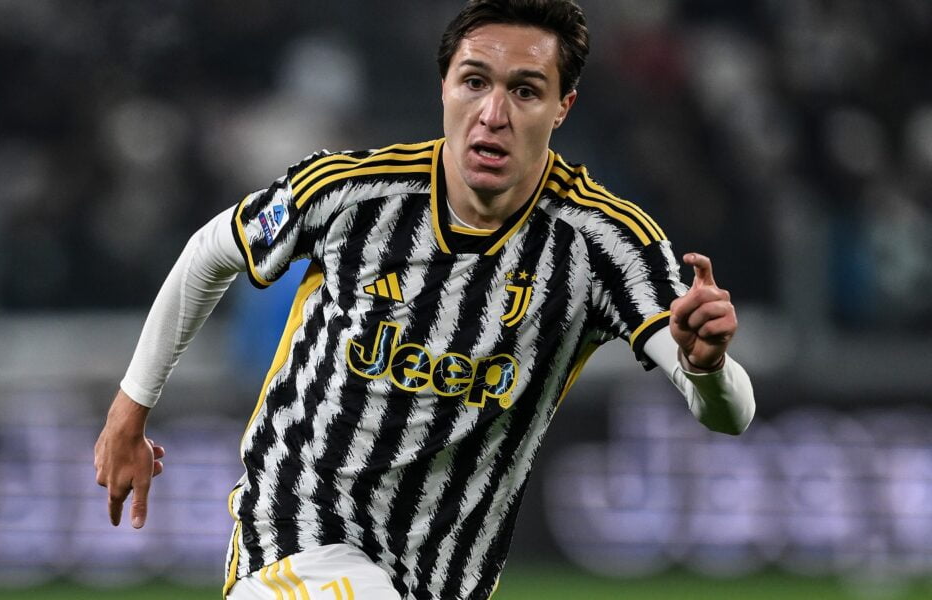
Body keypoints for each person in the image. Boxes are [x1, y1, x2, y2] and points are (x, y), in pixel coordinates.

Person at [94, 1, 755, 598]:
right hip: (297, 532)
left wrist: (707, 368)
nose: (493, 114)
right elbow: (212, 250)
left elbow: (730, 413)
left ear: (562, 106)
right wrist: (130, 410)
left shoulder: (603, 243)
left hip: (446, 577)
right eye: (475, 82)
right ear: (444, 86)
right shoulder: (352, 194)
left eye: (525, 91)